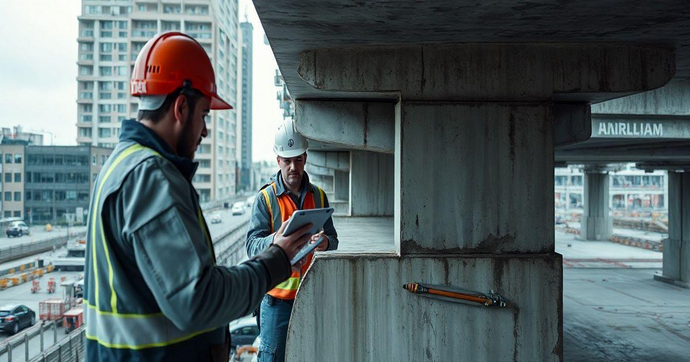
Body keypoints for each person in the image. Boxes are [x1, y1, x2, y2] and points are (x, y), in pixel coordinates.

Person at [84, 32, 311, 362]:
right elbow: (198, 299)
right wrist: (275, 261)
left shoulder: (120, 164)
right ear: (180, 107)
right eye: (204, 114)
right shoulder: (150, 178)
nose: (204, 130)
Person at [246, 119, 339, 362]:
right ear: (278, 160)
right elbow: (251, 247)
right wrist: (276, 239)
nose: (293, 167)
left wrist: (325, 243)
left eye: (298, 159)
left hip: (311, 296)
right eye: (287, 161)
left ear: (305, 158)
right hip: (276, 302)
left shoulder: (319, 195)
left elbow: (334, 239)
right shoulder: (265, 199)